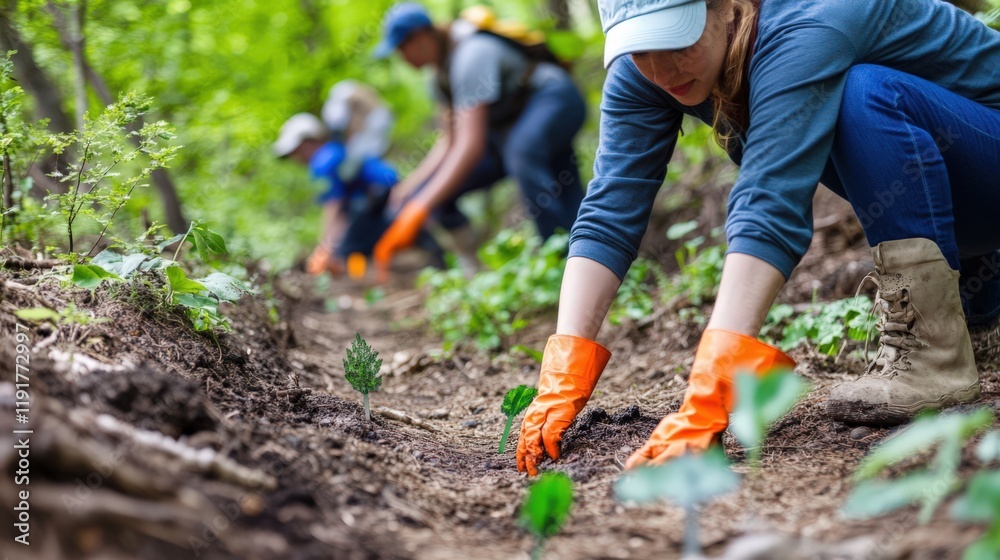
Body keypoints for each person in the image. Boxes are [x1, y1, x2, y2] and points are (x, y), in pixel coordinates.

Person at [516, 0, 1000, 476]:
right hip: (968, 196)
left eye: (674, 39)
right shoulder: (643, 72)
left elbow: (770, 200)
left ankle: (936, 358)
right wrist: (563, 375)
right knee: (850, 102)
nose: (661, 69)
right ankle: (978, 291)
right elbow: (608, 210)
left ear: (728, 6)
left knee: (862, 94)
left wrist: (712, 385)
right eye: (641, 49)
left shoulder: (808, 24)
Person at [370, 3, 588, 278]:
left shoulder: (471, 55)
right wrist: (411, 190)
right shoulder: (438, 78)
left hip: (555, 99)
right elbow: (450, 141)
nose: (402, 57)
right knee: (441, 190)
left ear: (422, 36)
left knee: (524, 155)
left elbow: (470, 147)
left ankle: (562, 264)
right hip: (513, 125)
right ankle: (472, 270)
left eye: (402, 47)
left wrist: (419, 207)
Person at [273, 112, 410, 278]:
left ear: (307, 142)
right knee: (350, 243)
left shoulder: (322, 162)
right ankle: (365, 276)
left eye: (296, 151)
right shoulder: (333, 151)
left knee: (351, 247)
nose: (296, 158)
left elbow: (334, 207)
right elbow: (342, 211)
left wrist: (324, 249)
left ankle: (367, 279)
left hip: (380, 193)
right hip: (384, 190)